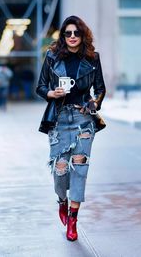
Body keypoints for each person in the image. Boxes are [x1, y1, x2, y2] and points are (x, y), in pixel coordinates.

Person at [36, 15, 106, 241]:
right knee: (61, 169)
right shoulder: (52, 57)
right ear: (63, 35)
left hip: (83, 118)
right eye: (68, 33)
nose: (73, 37)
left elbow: (100, 89)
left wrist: (94, 103)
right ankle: (62, 202)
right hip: (59, 118)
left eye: (76, 33)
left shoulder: (92, 58)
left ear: (82, 35)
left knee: (80, 166)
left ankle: (73, 220)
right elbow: (40, 87)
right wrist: (51, 93)